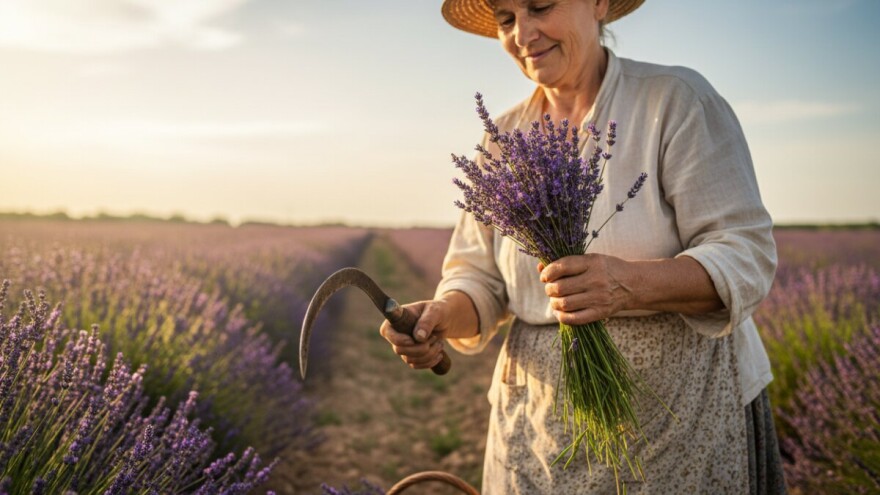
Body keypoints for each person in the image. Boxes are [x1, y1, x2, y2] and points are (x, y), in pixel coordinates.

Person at [379, 0, 787, 493]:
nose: (523, 33)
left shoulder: (673, 101)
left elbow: (744, 255)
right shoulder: (501, 139)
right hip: (536, 425)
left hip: (678, 416)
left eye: (540, 6)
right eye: (506, 19)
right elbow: (479, 277)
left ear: (598, 4)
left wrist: (626, 284)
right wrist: (444, 314)